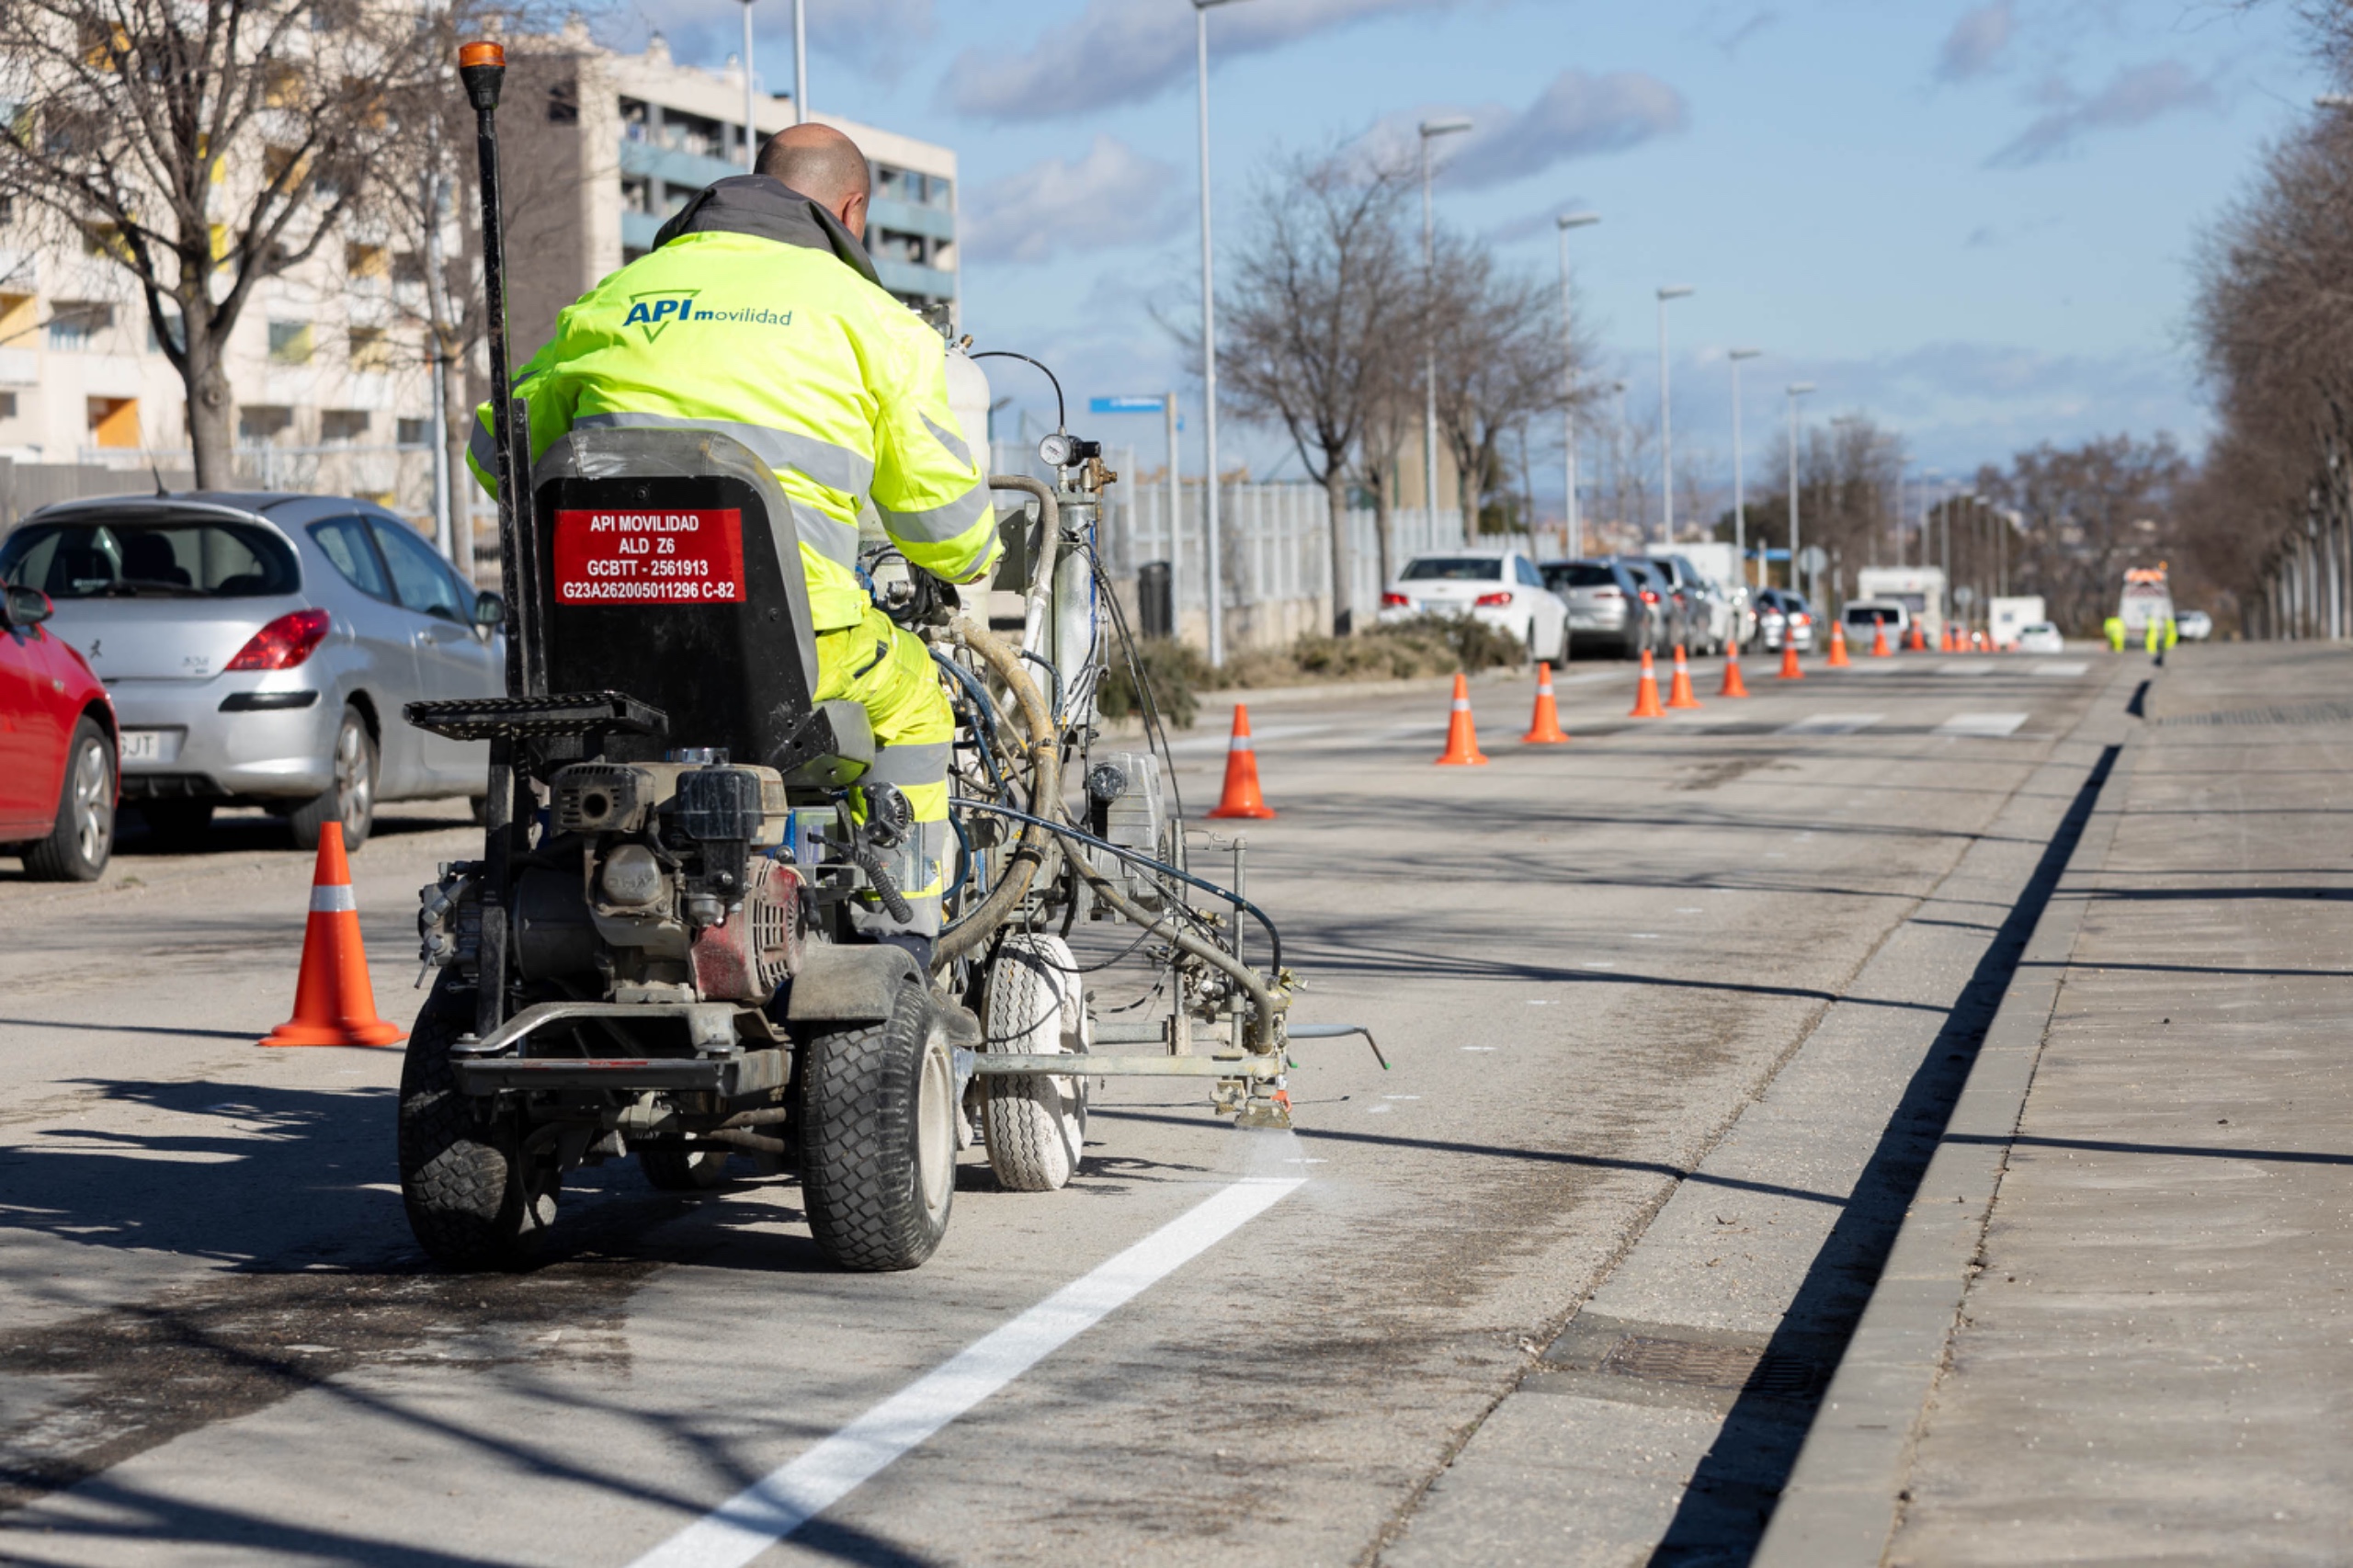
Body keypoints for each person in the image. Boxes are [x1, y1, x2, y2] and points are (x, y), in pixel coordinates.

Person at [468, 123, 997, 970]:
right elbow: (948, 530)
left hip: (603, 655)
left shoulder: (616, 298)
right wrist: (971, 562)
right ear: (851, 211)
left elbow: (498, 452)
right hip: (795, 653)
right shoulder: (873, 321)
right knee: (917, 704)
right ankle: (902, 933)